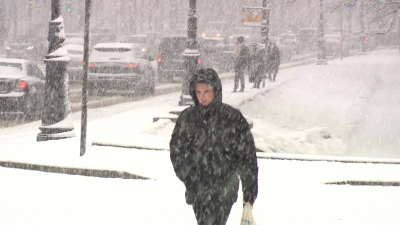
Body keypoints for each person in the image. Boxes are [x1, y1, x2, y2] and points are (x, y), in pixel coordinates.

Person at [170, 68, 259, 225]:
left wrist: (249, 193)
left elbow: (247, 157)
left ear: (216, 90)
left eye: (206, 91)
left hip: (225, 189)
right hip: (197, 188)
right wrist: (189, 176)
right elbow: (176, 151)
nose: (202, 97)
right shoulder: (188, 118)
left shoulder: (232, 118)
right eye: (198, 92)